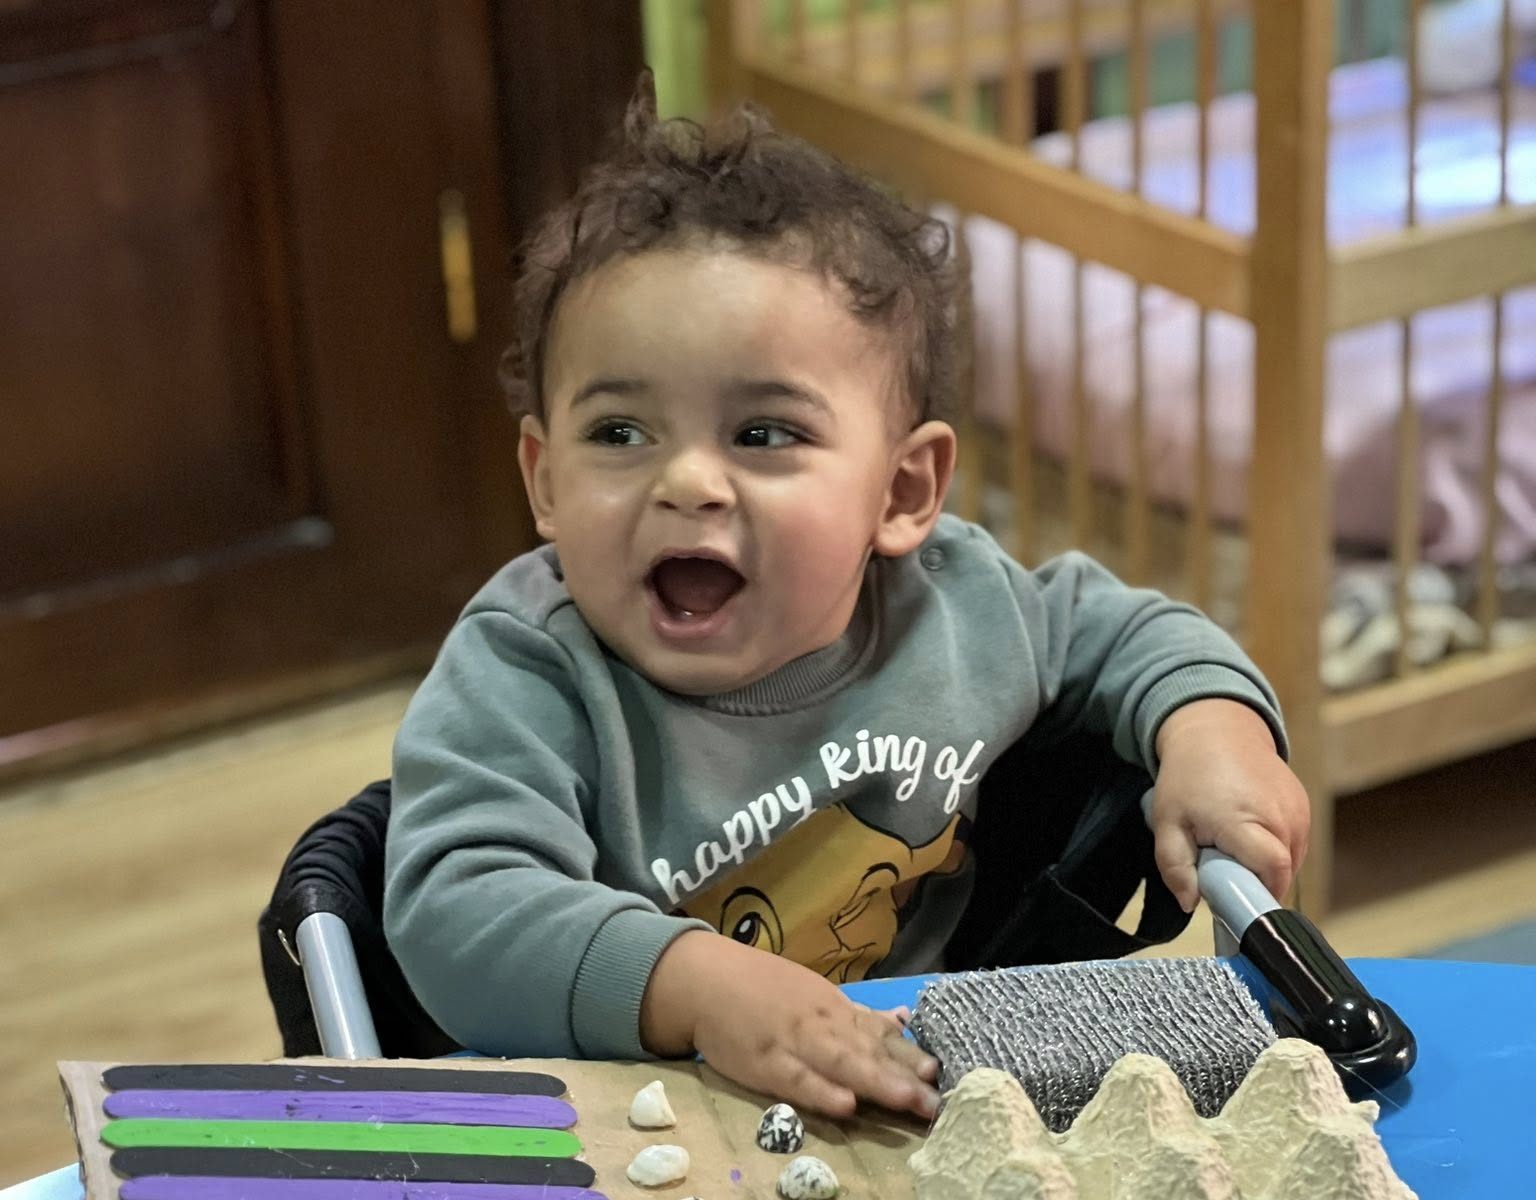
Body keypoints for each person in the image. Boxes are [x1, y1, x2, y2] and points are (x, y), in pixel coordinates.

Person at [383, 79, 1309, 1124]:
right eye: (619, 434)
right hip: (636, 1125)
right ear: (544, 480)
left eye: (765, 434)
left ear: (903, 492)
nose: (687, 481)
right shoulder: (527, 673)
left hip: (913, 1107)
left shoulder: (952, 607)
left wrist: (1214, 732)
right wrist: (702, 987)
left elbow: (1135, 635)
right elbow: (456, 911)